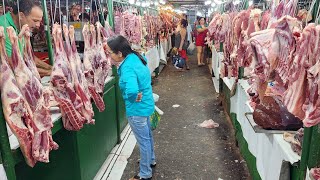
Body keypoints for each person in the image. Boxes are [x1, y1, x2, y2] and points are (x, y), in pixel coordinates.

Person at [105, 35, 156, 180]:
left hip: (137, 109)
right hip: (146, 104)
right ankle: (150, 159)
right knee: (147, 136)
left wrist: (131, 97)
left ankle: (145, 173)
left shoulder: (127, 67)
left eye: (110, 52)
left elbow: (132, 90)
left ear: (119, 53)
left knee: (143, 140)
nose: (109, 55)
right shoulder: (135, 57)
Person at [0, 0, 52, 76]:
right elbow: (14, 65)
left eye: (39, 21)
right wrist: (49, 72)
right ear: (21, 15)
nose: (38, 25)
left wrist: (50, 67)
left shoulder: (22, 27)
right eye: (35, 20)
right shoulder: (4, 27)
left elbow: (28, 57)